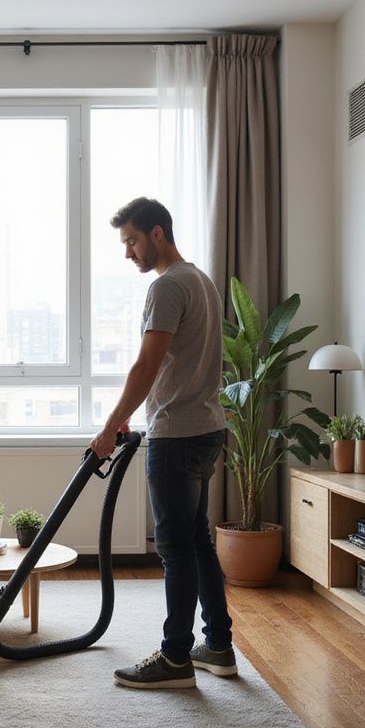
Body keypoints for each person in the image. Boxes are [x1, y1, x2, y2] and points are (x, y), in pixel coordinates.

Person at [88, 197, 236, 689]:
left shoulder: (168, 286)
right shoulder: (201, 280)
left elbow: (146, 366)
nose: (127, 252)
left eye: (130, 240)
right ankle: (217, 645)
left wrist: (112, 424)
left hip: (177, 434)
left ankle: (175, 658)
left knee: (175, 550)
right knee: (199, 543)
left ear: (156, 233)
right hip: (207, 427)